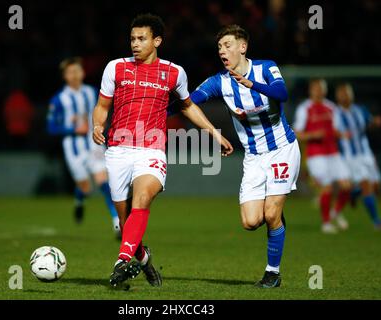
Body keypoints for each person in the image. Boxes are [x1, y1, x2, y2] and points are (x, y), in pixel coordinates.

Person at [92, 14, 233, 288]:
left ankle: (122, 261)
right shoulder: (115, 68)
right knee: (125, 225)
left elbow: (187, 106)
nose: (135, 43)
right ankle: (143, 259)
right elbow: (102, 105)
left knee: (142, 198)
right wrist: (97, 124)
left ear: (157, 40)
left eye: (141, 38)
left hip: (152, 151)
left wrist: (214, 132)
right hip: (118, 150)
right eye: (132, 38)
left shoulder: (174, 73)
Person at [189, 25, 300, 288]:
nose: (222, 51)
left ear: (243, 46)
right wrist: (156, 112)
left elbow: (282, 94)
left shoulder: (265, 68)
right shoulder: (220, 81)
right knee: (251, 222)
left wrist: (254, 84)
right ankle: (276, 217)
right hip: (253, 157)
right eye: (219, 47)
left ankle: (272, 273)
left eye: (227, 45)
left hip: (281, 149)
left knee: (271, 213)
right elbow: (189, 101)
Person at [47, 57, 120, 238]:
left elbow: (103, 110)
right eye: (70, 72)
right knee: (86, 188)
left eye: (77, 70)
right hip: (73, 149)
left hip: (94, 143)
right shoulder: (58, 99)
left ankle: (117, 223)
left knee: (104, 183)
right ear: (64, 76)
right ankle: (79, 201)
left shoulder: (92, 92)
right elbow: (50, 127)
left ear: (83, 72)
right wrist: (72, 128)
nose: (74, 75)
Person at [294, 79, 351, 234]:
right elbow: (297, 133)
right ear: (310, 90)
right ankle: (326, 224)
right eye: (315, 88)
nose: (318, 91)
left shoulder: (331, 107)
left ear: (325, 90)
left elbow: (335, 130)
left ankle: (335, 212)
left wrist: (342, 134)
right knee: (327, 187)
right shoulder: (305, 108)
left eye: (321, 88)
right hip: (315, 155)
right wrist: (312, 134)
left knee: (347, 186)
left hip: (333, 152)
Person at [335, 83, 381, 230]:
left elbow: (368, 124)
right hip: (351, 156)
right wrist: (340, 135)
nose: (346, 96)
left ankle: (354, 193)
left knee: (377, 187)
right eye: (342, 93)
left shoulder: (360, 110)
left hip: (366, 153)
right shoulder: (335, 113)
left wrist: (375, 122)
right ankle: (376, 221)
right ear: (338, 96)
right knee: (366, 185)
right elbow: (332, 131)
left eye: (347, 92)